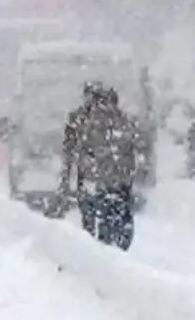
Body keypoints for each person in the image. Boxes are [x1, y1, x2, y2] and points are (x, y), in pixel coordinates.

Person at [60, 82, 142, 251]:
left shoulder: (82, 118)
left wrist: (68, 179)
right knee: (118, 219)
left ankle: (99, 250)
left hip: (94, 181)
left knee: (94, 220)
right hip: (119, 182)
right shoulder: (123, 119)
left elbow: (71, 150)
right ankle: (117, 249)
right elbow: (132, 150)